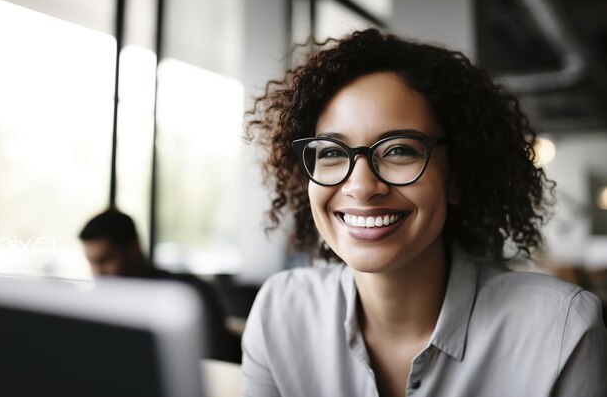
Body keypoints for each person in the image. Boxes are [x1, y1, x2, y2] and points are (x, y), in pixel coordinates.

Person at [241, 29, 607, 397]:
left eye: (399, 150)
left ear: (457, 177)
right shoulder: (279, 312)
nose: (361, 187)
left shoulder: (561, 329)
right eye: (332, 152)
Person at [79, 208, 241, 362]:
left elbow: (215, 364)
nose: (97, 273)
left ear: (132, 249)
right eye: (91, 262)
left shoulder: (187, 294)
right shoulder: (100, 304)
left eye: (105, 260)